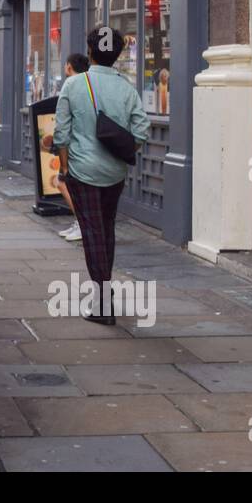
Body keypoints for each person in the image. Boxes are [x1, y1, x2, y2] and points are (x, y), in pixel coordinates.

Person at [52, 27, 150, 324]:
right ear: (117, 55)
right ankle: (103, 295)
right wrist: (123, 149)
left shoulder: (73, 85)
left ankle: (103, 303)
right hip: (115, 173)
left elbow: (61, 134)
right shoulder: (126, 88)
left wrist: (66, 168)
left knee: (93, 232)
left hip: (82, 171)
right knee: (106, 230)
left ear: (90, 51)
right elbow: (142, 130)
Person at [54, 53, 90, 242]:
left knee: (64, 183)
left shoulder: (70, 85)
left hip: (75, 148)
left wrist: (64, 161)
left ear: (69, 67)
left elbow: (62, 127)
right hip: (93, 148)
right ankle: (81, 224)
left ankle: (82, 224)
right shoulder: (91, 84)